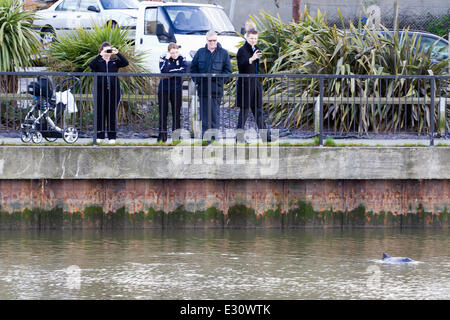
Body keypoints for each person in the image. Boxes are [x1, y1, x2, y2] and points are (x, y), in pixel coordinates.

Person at [190, 30, 232, 142]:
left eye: (214, 40)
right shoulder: (200, 52)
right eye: (210, 40)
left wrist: (219, 80)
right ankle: (205, 139)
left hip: (216, 90)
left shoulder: (223, 53)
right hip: (203, 89)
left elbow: (228, 71)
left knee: (214, 116)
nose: (213, 42)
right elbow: (193, 69)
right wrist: (198, 80)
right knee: (204, 116)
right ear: (206, 40)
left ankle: (214, 139)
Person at [88, 42, 129, 144]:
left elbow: (125, 62)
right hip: (100, 91)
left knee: (111, 114)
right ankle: (100, 136)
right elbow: (91, 65)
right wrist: (100, 55)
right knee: (100, 113)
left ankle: (112, 137)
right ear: (101, 51)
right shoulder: (98, 61)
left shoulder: (114, 61)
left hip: (113, 91)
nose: (107, 53)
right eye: (106, 51)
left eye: (109, 51)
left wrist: (118, 53)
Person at [236, 29, 271, 142]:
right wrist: (251, 59)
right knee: (244, 113)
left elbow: (257, 68)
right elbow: (241, 66)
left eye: (255, 39)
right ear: (246, 37)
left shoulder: (257, 49)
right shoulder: (241, 50)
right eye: (251, 38)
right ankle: (239, 138)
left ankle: (266, 138)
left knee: (259, 112)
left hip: (255, 85)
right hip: (245, 86)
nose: (253, 41)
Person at [157, 42, 187, 142]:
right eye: (172, 53)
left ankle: (176, 136)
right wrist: (167, 59)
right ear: (168, 52)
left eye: (176, 52)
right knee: (163, 113)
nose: (175, 54)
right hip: (164, 89)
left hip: (176, 88)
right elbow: (163, 70)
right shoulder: (163, 57)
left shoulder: (182, 58)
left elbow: (183, 70)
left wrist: (170, 72)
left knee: (176, 113)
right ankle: (162, 136)